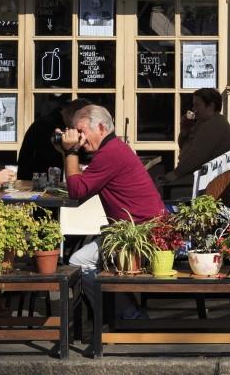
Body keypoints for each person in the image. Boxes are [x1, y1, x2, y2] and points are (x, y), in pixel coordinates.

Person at [61, 105, 165, 321]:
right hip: (137, 231)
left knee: (79, 261)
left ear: (100, 127)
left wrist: (70, 151)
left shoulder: (110, 153)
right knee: (84, 259)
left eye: (81, 131)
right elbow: (81, 188)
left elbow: (76, 190)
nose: (79, 138)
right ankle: (120, 312)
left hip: (142, 236)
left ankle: (125, 315)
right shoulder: (114, 149)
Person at [161, 88, 230, 185]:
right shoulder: (203, 122)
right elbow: (184, 147)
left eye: (197, 105)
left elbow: (195, 157)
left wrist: (173, 175)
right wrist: (185, 131)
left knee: (155, 186)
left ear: (210, 106)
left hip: (204, 182)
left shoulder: (213, 125)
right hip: (202, 177)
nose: (193, 109)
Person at [17, 97, 92, 178]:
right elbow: (53, 159)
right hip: (38, 179)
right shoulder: (47, 126)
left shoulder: (48, 122)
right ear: (74, 115)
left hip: (40, 177)